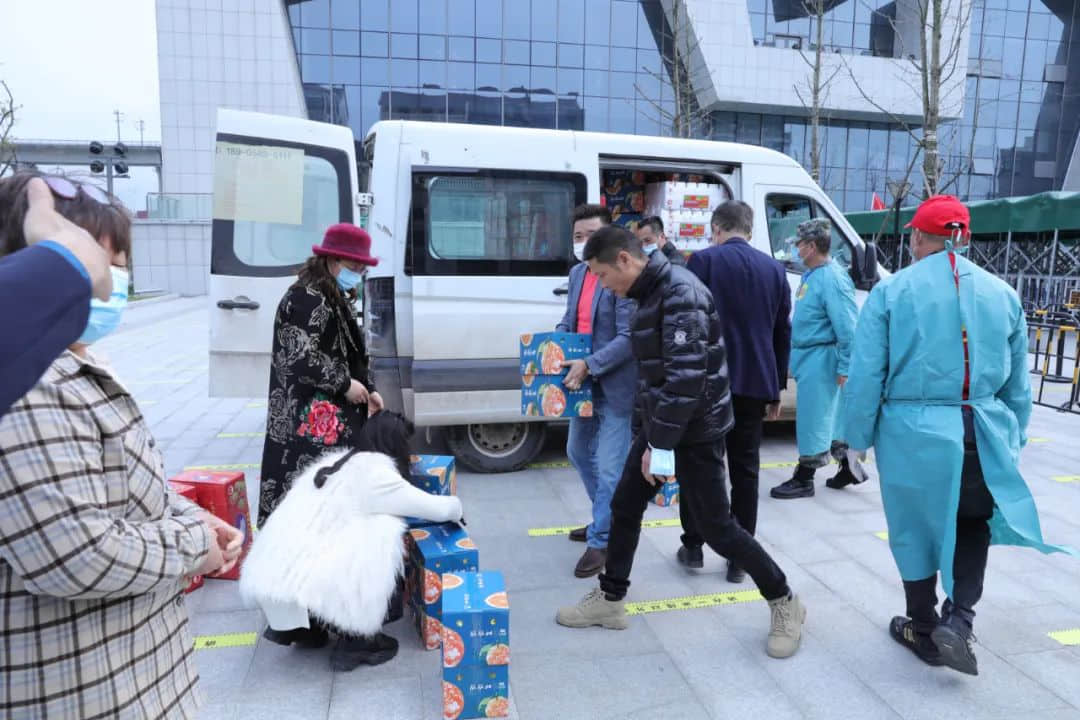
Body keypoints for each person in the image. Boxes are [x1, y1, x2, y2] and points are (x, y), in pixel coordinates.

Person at [0, 172, 243, 718]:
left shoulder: (72, 363)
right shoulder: (28, 384)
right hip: (85, 691)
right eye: (100, 262)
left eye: (120, 265)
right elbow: (75, 554)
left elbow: (125, 484)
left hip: (134, 676)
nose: (112, 283)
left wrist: (192, 516)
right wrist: (193, 544)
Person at [842, 195, 1074, 676]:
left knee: (913, 527)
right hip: (982, 429)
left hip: (912, 431)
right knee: (973, 523)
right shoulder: (1003, 294)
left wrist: (854, 439)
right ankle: (960, 619)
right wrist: (1014, 437)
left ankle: (923, 627)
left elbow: (867, 374)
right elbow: (1018, 384)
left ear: (918, 237)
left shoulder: (891, 292)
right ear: (964, 239)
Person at [555, 225, 806, 659]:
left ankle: (785, 601)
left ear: (624, 260)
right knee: (624, 506)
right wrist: (647, 433)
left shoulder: (679, 293)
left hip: (696, 430)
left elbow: (686, 380)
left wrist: (660, 446)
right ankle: (610, 600)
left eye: (602, 275)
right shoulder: (646, 292)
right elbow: (653, 373)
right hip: (664, 424)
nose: (602, 286)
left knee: (717, 529)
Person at [242, 411, 466, 672]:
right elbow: (439, 509)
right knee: (381, 533)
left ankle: (307, 628)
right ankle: (357, 641)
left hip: (273, 576)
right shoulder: (378, 476)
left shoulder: (334, 464)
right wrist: (458, 508)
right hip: (313, 580)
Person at [682, 201, 791, 582]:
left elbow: (690, 323)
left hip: (709, 382)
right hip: (755, 382)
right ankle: (740, 559)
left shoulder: (703, 261)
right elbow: (781, 331)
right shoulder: (775, 269)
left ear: (716, 228)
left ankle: (693, 545)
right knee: (746, 470)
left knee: (699, 464)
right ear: (749, 229)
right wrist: (776, 387)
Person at [257, 223, 384, 525]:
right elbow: (301, 356)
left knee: (327, 497)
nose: (358, 273)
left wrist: (369, 388)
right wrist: (345, 384)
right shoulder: (306, 297)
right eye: (354, 266)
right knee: (304, 498)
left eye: (362, 268)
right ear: (332, 259)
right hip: (305, 419)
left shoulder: (332, 293)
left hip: (325, 418)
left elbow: (352, 350)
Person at [556, 204, 637, 578]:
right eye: (578, 236)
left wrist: (590, 363)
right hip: (581, 382)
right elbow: (570, 320)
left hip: (614, 383)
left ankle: (603, 539)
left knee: (609, 466)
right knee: (577, 452)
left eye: (591, 235)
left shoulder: (619, 276)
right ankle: (605, 516)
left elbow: (628, 337)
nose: (584, 242)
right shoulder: (577, 273)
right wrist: (555, 342)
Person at [0, 174, 114, 416]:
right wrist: (57, 269)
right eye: (97, 266)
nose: (108, 286)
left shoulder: (83, 366)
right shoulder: (34, 397)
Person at [771, 218, 866, 499]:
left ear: (812, 247)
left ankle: (804, 478)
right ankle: (848, 466)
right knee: (830, 418)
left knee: (813, 419)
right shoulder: (815, 274)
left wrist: (845, 366)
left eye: (799, 244)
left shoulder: (831, 279)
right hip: (813, 357)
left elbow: (848, 328)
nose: (795, 249)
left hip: (822, 358)